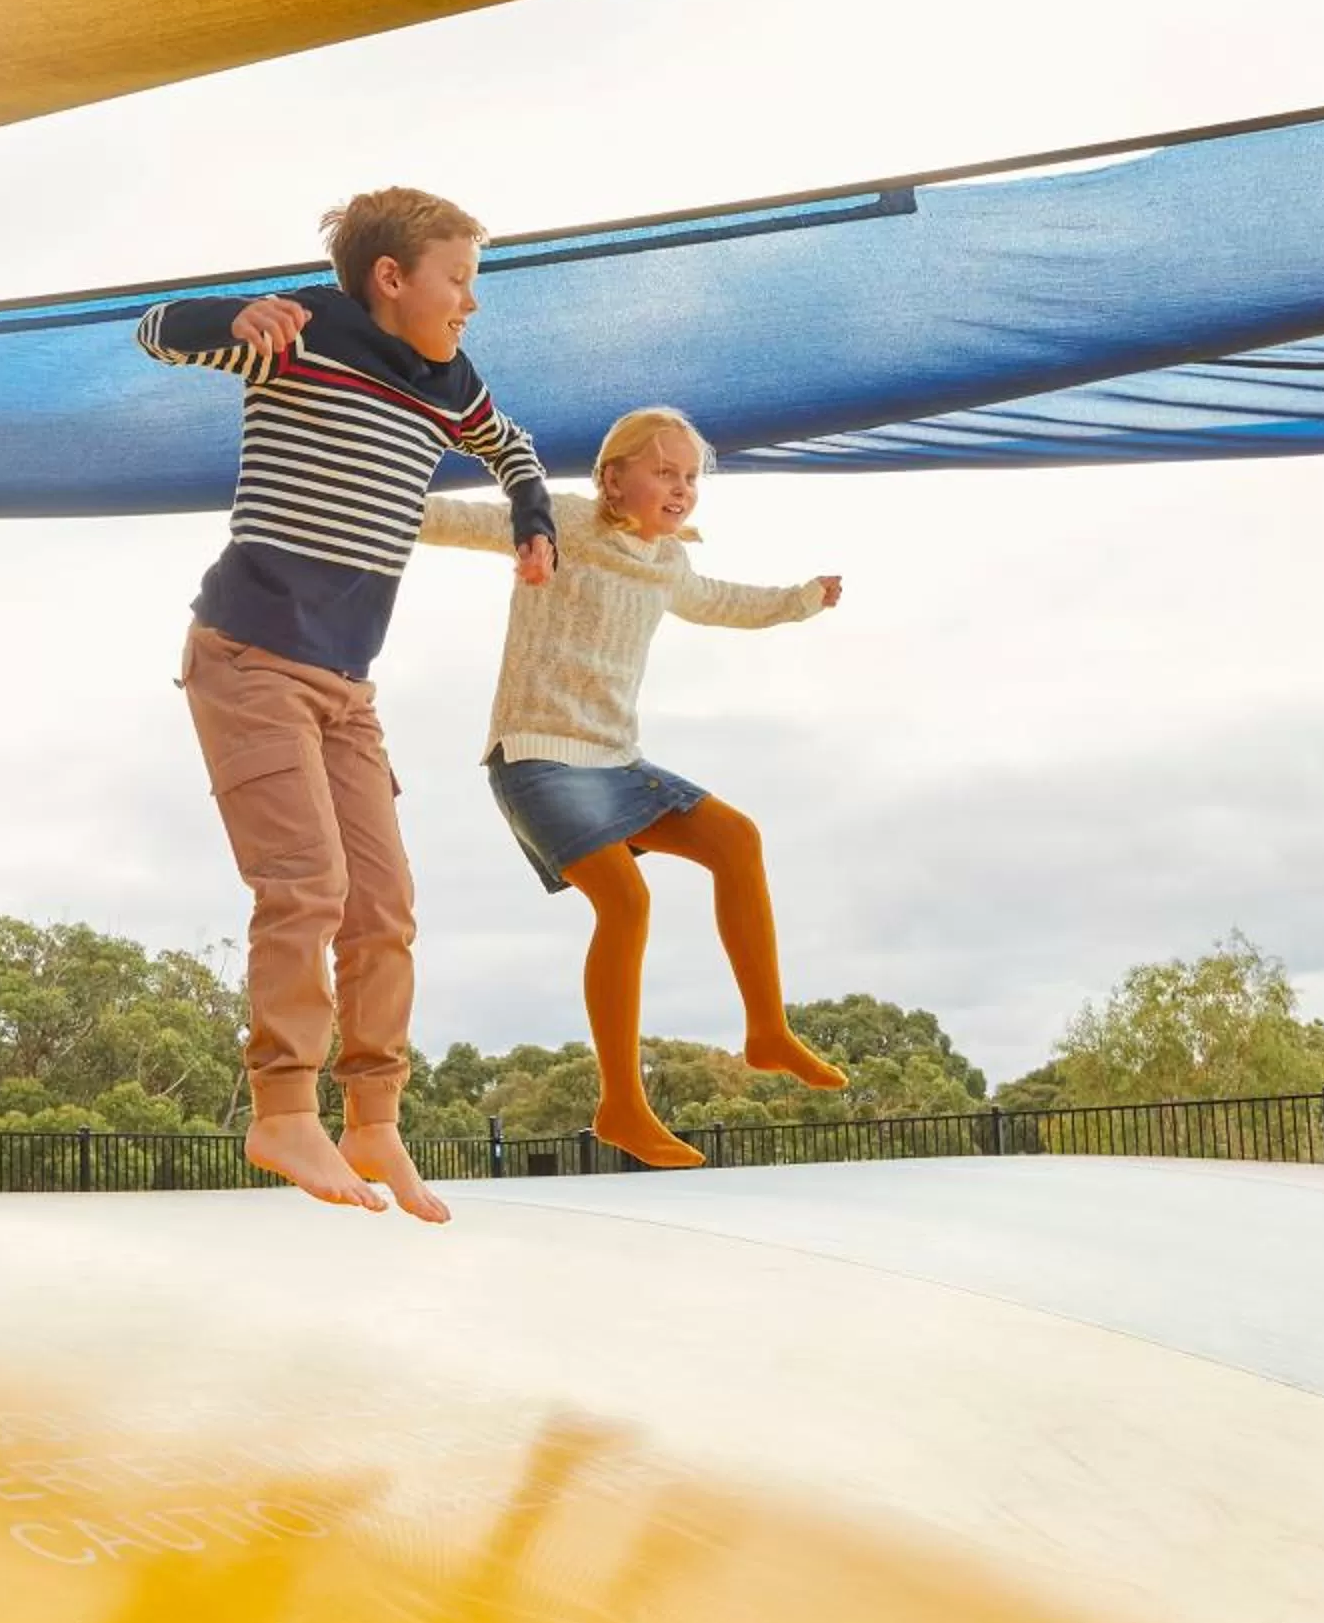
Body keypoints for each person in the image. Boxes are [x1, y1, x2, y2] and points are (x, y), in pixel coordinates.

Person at [137, 188, 555, 1220]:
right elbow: (152, 333)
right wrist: (223, 320)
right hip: (248, 659)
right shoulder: (297, 335)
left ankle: (372, 1123)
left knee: (382, 909)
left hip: (344, 688)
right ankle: (283, 1110)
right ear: (391, 277)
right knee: (306, 887)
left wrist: (531, 517)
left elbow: (512, 445)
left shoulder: (447, 382)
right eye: (457, 279)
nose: (469, 302)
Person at [422, 405, 845, 1169]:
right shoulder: (567, 522)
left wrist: (801, 599)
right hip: (538, 755)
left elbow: (722, 602)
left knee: (735, 839)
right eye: (664, 471)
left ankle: (767, 1030)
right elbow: (464, 521)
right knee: (625, 900)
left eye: (690, 477)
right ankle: (620, 1103)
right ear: (613, 478)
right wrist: (370, 500)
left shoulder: (668, 562)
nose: (681, 487)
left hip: (615, 759)